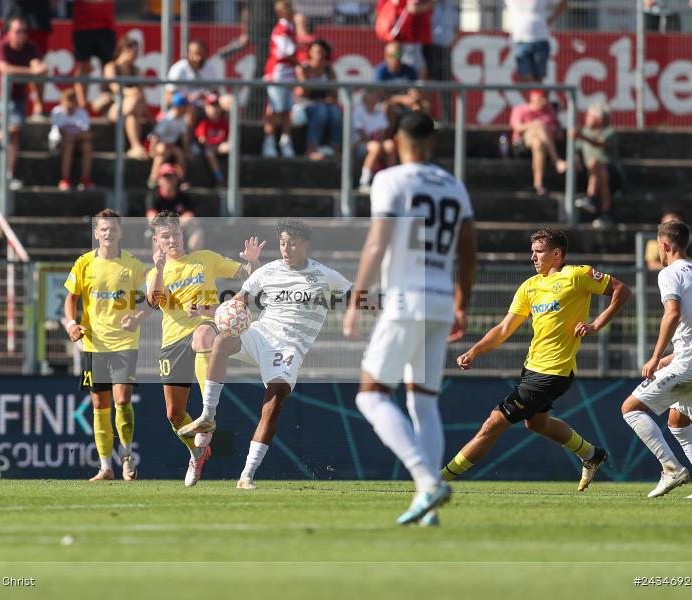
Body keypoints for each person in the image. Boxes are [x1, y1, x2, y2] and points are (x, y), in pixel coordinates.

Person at [341, 111, 476, 526]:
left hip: (404, 300)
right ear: (432, 142)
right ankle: (426, 505)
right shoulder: (454, 185)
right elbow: (469, 251)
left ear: (398, 138)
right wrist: (461, 304)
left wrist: (356, 298)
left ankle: (426, 479)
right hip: (438, 301)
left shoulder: (390, 179)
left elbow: (377, 240)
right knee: (424, 400)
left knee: (370, 394)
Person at [442, 228, 631, 492]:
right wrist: (474, 351)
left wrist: (597, 324)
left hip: (553, 372)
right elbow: (505, 328)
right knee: (537, 423)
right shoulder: (529, 287)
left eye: (538, 252)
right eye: (532, 252)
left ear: (556, 254)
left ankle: (438, 480)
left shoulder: (576, 275)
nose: (533, 257)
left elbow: (622, 290)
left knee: (492, 423)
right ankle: (592, 454)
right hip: (532, 369)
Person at [179, 219, 351, 488]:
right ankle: (208, 416)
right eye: (283, 243)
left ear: (305, 245)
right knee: (223, 340)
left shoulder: (325, 275)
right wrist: (207, 309)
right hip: (260, 334)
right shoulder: (268, 271)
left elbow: (356, 296)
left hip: (288, 348)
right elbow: (237, 304)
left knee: (273, 404)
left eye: (292, 243)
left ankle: (246, 475)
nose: (286, 248)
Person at [146, 211, 264, 486]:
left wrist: (252, 260)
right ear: (157, 240)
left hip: (205, 326)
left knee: (202, 336)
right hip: (172, 342)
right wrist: (160, 268)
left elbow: (249, 276)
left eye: (176, 233)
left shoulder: (205, 259)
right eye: (166, 236)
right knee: (174, 415)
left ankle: (207, 414)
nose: (173, 239)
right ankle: (196, 453)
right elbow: (153, 301)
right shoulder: (156, 272)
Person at [620, 220, 692, 500]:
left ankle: (671, 469)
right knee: (678, 422)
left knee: (631, 408)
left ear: (664, 245)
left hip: (690, 364)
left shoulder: (670, 272)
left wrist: (656, 356)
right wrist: (672, 356)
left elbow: (672, 313)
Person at [64, 209, 149, 481]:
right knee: (100, 405)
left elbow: (153, 298)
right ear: (96, 233)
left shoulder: (133, 266)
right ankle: (105, 467)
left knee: (122, 400)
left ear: (120, 232)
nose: (108, 233)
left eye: (113, 229)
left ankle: (125, 459)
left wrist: (137, 318)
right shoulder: (84, 263)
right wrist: (71, 323)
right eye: (103, 229)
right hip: (93, 344)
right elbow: (71, 298)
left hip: (124, 343)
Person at [0, 16, 47, 191]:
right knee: (16, 124)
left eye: (25, 31)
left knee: (15, 133)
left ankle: (9, 173)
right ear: (8, 33)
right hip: (0, 95)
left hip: (18, 97)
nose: (22, 35)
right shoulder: (1, 46)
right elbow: (5, 69)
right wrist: (31, 71)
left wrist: (37, 68)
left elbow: (39, 67)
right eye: (18, 31)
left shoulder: (30, 47)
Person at [4, 0, 58, 119]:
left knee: (38, 65)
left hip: (39, 18)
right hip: (16, 16)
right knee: (11, 62)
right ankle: (8, 104)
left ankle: (39, 107)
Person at [101, 36, 152, 161]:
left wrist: (151, 118)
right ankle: (135, 146)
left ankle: (135, 147)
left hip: (130, 111)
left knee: (131, 115)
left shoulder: (135, 70)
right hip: (113, 107)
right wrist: (131, 92)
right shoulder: (111, 67)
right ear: (125, 49)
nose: (136, 55)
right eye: (134, 51)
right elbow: (114, 87)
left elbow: (142, 95)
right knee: (135, 96)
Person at [572, 103, 621, 229]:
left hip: (612, 172)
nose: (586, 118)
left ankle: (592, 197)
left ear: (599, 119)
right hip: (595, 173)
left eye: (590, 116)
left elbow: (600, 144)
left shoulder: (609, 132)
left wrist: (582, 137)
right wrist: (577, 160)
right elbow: (577, 149)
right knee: (600, 173)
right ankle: (606, 213)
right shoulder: (585, 131)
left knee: (598, 166)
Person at [509, 89, 566, 197]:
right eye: (540, 97)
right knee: (539, 126)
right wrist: (534, 125)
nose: (543, 101)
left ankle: (538, 185)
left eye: (545, 98)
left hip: (543, 144)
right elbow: (517, 127)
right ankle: (556, 160)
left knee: (537, 143)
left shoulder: (549, 110)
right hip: (523, 142)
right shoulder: (520, 109)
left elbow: (558, 132)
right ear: (532, 97)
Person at [262, 0, 298, 158]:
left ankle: (285, 143)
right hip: (277, 75)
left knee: (287, 112)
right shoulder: (281, 29)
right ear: (281, 12)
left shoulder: (290, 28)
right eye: (288, 8)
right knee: (275, 111)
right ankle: (269, 143)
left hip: (288, 75)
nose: (292, 10)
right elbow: (288, 51)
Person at [166, 40, 226, 133]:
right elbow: (168, 97)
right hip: (184, 107)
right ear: (188, 53)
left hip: (205, 106)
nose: (197, 58)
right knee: (192, 109)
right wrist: (187, 98)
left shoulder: (211, 68)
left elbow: (215, 93)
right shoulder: (178, 69)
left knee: (227, 103)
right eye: (195, 54)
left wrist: (207, 98)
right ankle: (188, 144)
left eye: (201, 54)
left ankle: (225, 142)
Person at [296, 39, 342, 161]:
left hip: (323, 105)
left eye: (322, 52)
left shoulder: (329, 70)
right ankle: (311, 148)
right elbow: (301, 92)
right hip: (302, 107)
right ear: (310, 52)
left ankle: (336, 148)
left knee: (335, 112)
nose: (319, 54)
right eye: (316, 51)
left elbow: (335, 96)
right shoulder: (303, 69)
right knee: (320, 111)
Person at [505, 0, 568, 82]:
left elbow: (564, 3)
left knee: (538, 77)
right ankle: (541, 93)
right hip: (520, 40)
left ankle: (540, 93)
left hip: (540, 40)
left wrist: (551, 18)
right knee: (524, 76)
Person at [71, 0, 116, 109]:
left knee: (109, 67)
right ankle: (81, 107)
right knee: (83, 66)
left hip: (106, 25)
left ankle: (109, 104)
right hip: (83, 25)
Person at [50, 88, 93, 191]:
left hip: (77, 143)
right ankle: (65, 179)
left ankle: (85, 179)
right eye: (68, 100)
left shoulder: (82, 113)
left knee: (87, 146)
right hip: (58, 144)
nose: (70, 103)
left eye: (73, 100)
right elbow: (62, 134)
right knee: (69, 145)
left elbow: (88, 135)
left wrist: (73, 136)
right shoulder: (57, 112)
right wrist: (76, 136)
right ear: (62, 101)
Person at [352, 89, 395, 193]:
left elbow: (383, 133)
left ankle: (391, 182)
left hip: (375, 143)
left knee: (390, 145)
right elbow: (363, 135)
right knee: (375, 147)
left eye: (375, 100)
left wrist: (378, 138)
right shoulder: (357, 112)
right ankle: (364, 182)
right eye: (371, 100)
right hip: (358, 145)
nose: (373, 102)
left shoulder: (380, 113)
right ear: (365, 101)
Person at [147, 93, 190, 188]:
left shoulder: (182, 119)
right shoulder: (167, 119)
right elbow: (155, 136)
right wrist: (152, 150)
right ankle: (153, 179)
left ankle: (182, 180)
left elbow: (184, 136)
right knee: (162, 154)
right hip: (160, 144)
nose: (186, 108)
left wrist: (186, 151)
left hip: (172, 145)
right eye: (184, 106)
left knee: (180, 154)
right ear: (178, 107)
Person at [194, 94, 230, 185]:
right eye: (211, 106)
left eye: (217, 106)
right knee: (209, 152)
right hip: (209, 149)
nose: (214, 109)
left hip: (222, 148)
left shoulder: (224, 123)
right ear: (206, 108)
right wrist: (214, 147)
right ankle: (219, 178)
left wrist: (226, 145)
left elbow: (228, 138)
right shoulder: (204, 124)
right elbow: (202, 140)